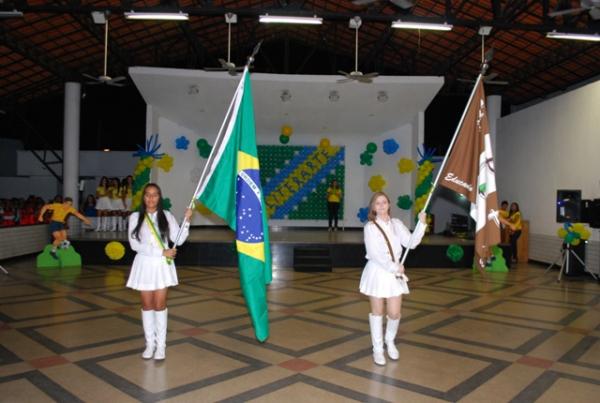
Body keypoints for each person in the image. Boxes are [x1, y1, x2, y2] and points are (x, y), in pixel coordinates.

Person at [359, 191, 426, 366]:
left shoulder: (397, 224)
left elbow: (411, 243)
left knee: (394, 313)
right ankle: (378, 349)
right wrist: (394, 266)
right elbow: (375, 254)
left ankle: (390, 341)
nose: (381, 206)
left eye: (384, 202)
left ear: (389, 204)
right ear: (373, 207)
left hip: (394, 275)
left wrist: (421, 224)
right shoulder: (370, 227)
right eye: (377, 203)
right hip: (378, 272)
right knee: (377, 312)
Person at [127, 183, 192, 360]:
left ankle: (161, 347)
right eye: (147, 195)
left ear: (159, 197)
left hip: (162, 266)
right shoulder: (135, 217)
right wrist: (161, 251)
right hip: (145, 264)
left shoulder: (167, 216)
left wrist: (186, 221)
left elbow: (179, 239)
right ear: (143, 198)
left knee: (159, 304)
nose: (151, 198)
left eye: (155, 195)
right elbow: (134, 245)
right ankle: (150, 345)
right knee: (147, 305)